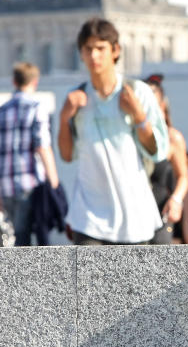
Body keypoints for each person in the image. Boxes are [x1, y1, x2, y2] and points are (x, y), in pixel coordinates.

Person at [58, 17, 169, 245]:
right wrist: (63, 118)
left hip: (134, 214)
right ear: (81, 53)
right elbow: (67, 155)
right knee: (88, 280)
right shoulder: (76, 97)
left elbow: (158, 151)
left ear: (115, 50)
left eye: (100, 48)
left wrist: (139, 117)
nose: (94, 56)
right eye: (88, 49)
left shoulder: (138, 92)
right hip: (89, 215)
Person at [0, 62, 60, 246]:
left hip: (5, 186)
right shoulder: (36, 108)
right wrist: (54, 183)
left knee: (15, 236)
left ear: (14, 81)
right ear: (35, 82)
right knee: (31, 236)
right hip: (30, 184)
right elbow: (42, 146)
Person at [144, 73, 188, 244]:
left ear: (163, 107)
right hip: (134, 213)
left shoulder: (173, 138)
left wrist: (177, 199)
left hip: (163, 213)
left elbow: (183, 177)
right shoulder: (129, 138)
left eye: (154, 107)